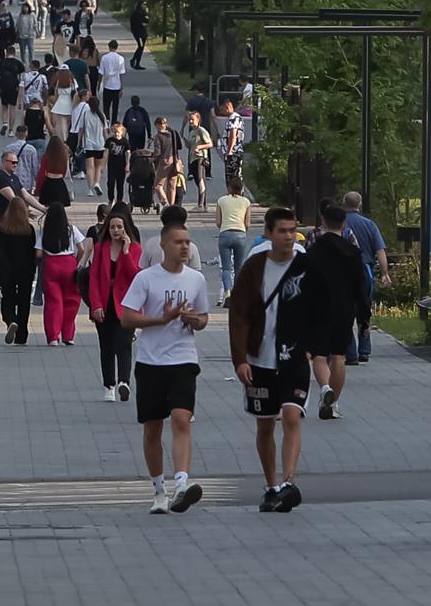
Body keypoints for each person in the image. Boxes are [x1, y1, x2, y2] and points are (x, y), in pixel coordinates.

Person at [227, 208, 330, 512]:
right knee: (264, 425)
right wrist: (240, 358)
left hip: (293, 356)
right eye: (282, 231)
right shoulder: (255, 267)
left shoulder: (307, 267)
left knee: (290, 416)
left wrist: (313, 347)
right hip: (259, 359)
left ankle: (288, 483)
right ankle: (271, 485)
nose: (289, 236)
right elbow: (239, 315)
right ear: (268, 233)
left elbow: (323, 308)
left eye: (293, 230)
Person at [119, 219, 211, 513]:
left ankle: (182, 484)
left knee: (182, 419)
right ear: (163, 246)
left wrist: (193, 320)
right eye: (178, 242)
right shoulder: (146, 278)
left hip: (183, 358)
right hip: (150, 360)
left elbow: (204, 318)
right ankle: (159, 490)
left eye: (187, 242)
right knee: (152, 428)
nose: (185, 247)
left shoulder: (196, 279)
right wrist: (162, 319)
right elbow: (127, 317)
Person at [307, 203, 367, 421]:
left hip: (318, 309)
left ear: (323, 221)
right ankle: (333, 405)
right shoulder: (353, 252)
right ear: (344, 224)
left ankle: (324, 388)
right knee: (339, 356)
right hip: (344, 309)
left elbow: (305, 281)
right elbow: (362, 286)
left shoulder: (314, 250)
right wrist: (364, 318)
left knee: (320, 356)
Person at [88, 210, 142, 402]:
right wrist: (96, 304)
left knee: (124, 343)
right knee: (106, 346)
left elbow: (135, 276)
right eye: (112, 227)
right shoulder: (101, 247)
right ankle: (109, 385)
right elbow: (93, 277)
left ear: (126, 228)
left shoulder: (135, 248)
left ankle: (124, 382)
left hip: (126, 306)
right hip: (104, 303)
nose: (116, 230)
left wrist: (126, 252)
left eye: (119, 227)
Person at [340, 191, 391, 365]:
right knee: (364, 310)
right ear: (359, 204)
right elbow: (380, 251)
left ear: (343, 203)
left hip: (345, 272)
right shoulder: (369, 224)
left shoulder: (340, 223)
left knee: (346, 312)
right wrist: (385, 273)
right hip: (365, 271)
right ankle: (364, 350)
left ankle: (350, 352)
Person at [38, 203, 84, 345]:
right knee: (72, 300)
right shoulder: (71, 229)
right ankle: (68, 335)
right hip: (69, 264)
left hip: (51, 265)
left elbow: (38, 252)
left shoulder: (45, 231)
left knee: (53, 302)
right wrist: (76, 262)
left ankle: (53, 336)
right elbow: (81, 249)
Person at [0, 198, 39, 344]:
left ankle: (11, 320)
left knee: (7, 298)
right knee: (24, 302)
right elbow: (34, 252)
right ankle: (22, 335)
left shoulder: (3, 229)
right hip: (25, 271)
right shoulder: (29, 230)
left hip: (8, 271)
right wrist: (33, 269)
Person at [213, 177, 252, 306]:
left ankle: (228, 291)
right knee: (239, 267)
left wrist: (225, 227)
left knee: (226, 267)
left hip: (225, 234)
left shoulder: (221, 200)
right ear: (241, 189)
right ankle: (238, 293)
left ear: (229, 188)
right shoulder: (246, 202)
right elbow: (247, 223)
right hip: (240, 234)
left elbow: (218, 222)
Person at [71, 90, 104, 196]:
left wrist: (79, 143)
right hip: (100, 144)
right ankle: (97, 183)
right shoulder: (101, 115)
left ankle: (90, 189)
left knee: (90, 168)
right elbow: (105, 131)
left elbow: (81, 130)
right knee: (98, 167)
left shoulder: (86, 114)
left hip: (88, 144)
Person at [184, 110, 214, 210]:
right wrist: (185, 140)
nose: (191, 122)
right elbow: (190, 145)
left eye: (192, 120)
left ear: (198, 119)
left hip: (200, 158)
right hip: (192, 158)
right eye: (189, 120)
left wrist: (199, 147)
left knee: (200, 180)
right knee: (197, 180)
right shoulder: (192, 132)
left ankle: (200, 204)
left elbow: (210, 144)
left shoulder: (201, 130)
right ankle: (203, 205)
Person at [150, 116, 181, 208]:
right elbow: (180, 146)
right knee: (171, 186)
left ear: (157, 125)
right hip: (174, 161)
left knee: (158, 186)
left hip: (164, 162)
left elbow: (157, 152)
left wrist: (153, 159)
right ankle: (172, 207)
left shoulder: (158, 136)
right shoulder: (173, 133)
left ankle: (165, 204)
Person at [0, 49, 24, 136]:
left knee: (4, 106)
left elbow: (0, 76)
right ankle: (11, 130)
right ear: (14, 53)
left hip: (4, 86)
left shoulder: (2, 62)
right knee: (12, 108)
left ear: (6, 53)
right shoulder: (18, 63)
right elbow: (20, 77)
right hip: (14, 86)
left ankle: (5, 123)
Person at [37, 135, 72, 208]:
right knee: (60, 207)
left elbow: (42, 173)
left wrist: (38, 188)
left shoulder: (46, 157)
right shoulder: (64, 157)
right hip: (60, 182)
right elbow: (65, 171)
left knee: (48, 207)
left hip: (48, 183)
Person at [48, 58, 77, 141]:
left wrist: (55, 103)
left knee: (62, 123)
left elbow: (56, 93)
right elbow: (76, 92)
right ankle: (68, 137)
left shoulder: (58, 80)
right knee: (69, 122)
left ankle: (64, 138)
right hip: (70, 102)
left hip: (60, 102)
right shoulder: (72, 81)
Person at [98, 39, 127, 121]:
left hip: (107, 85)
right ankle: (114, 123)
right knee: (115, 107)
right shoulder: (121, 59)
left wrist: (99, 83)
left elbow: (101, 72)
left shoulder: (104, 58)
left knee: (106, 106)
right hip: (117, 86)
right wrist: (122, 88)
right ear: (117, 47)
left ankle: (106, 121)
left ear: (109, 47)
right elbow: (121, 74)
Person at [105, 121, 131, 206]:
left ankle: (119, 201)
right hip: (111, 165)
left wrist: (127, 164)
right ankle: (111, 199)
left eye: (118, 132)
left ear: (122, 132)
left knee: (120, 184)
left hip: (121, 165)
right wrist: (103, 164)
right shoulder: (109, 141)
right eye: (115, 132)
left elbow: (128, 153)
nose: (116, 134)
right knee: (110, 183)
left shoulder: (125, 141)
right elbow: (106, 152)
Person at [129, 1, 150, 69]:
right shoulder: (136, 13)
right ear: (140, 5)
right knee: (140, 47)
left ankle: (135, 61)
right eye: (144, 4)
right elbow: (139, 23)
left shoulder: (143, 13)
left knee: (141, 47)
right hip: (139, 34)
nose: (145, 6)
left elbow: (147, 21)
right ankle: (135, 62)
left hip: (142, 33)